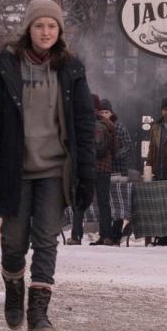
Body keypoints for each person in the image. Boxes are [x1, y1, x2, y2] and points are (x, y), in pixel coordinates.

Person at [0, 0, 95, 331]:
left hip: (55, 169)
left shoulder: (71, 69)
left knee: (46, 239)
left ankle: (39, 313)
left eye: (52, 26)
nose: (45, 32)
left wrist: (85, 171)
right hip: (16, 167)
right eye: (39, 25)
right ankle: (14, 288)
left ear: (59, 31)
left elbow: (84, 124)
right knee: (13, 241)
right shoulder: (5, 67)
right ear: (28, 28)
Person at [71, 95, 117, 246]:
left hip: (86, 167)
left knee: (80, 200)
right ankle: (106, 236)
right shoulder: (109, 124)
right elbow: (114, 148)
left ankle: (76, 236)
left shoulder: (81, 122)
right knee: (104, 202)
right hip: (104, 168)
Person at [99, 99, 132, 242]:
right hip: (103, 171)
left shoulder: (119, 127)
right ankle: (105, 233)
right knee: (105, 202)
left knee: (118, 202)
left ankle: (116, 233)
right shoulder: (96, 127)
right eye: (102, 112)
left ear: (111, 113)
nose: (104, 114)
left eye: (107, 112)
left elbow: (128, 146)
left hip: (119, 171)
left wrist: (115, 155)